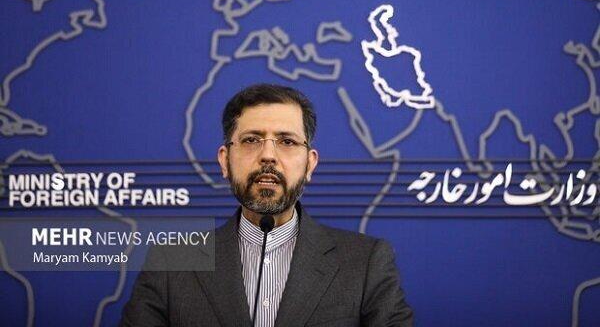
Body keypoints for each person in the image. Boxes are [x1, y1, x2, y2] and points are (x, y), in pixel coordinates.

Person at [120, 84, 414, 326]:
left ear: (310, 164)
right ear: (225, 161)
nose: (268, 156)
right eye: (251, 140)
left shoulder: (366, 262)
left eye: (287, 142)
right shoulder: (171, 261)